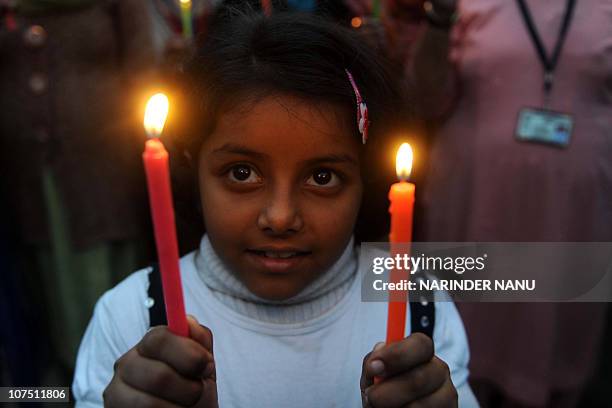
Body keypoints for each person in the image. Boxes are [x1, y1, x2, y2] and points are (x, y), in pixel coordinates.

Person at [73, 8, 478, 407]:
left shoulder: (418, 311)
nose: (280, 218)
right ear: (192, 168)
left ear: (367, 182)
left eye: (322, 177)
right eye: (242, 173)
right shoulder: (131, 318)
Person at [341, 0, 611, 406]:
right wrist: (440, 18)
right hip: (479, 196)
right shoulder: (466, 5)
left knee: (558, 301)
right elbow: (424, 99)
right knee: (474, 297)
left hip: (572, 201)